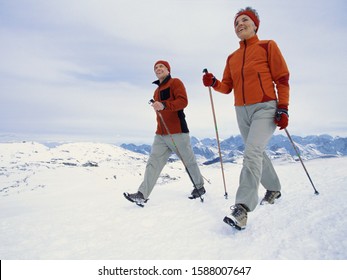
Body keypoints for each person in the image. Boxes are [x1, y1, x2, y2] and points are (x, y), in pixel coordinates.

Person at [202, 7, 290, 230]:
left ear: (255, 25)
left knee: (251, 152)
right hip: (241, 110)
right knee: (256, 151)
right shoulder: (232, 57)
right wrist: (213, 83)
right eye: (236, 23)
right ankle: (274, 188)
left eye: (244, 20)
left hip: (265, 107)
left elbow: (282, 78)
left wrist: (283, 107)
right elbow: (227, 87)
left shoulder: (267, 46)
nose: (240, 24)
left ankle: (242, 208)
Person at [124, 60, 206, 207]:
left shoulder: (175, 83)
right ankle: (142, 194)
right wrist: (159, 107)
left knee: (188, 161)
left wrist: (164, 105)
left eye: (161, 66)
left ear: (168, 70)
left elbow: (183, 101)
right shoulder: (156, 91)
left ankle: (199, 187)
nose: (158, 68)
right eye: (156, 67)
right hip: (161, 134)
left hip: (177, 131)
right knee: (153, 163)